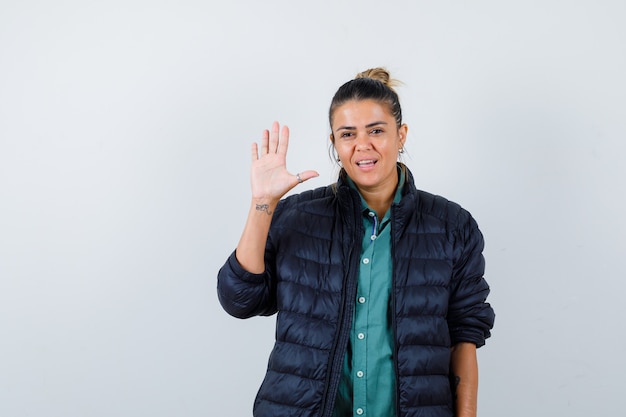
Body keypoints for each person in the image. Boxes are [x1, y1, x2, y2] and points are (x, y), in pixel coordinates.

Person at [217, 68, 495, 417]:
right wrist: (263, 203)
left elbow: (464, 336)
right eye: (347, 134)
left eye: (376, 130)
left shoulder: (452, 226)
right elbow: (239, 299)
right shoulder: (297, 217)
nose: (363, 145)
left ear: (402, 135)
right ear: (335, 143)